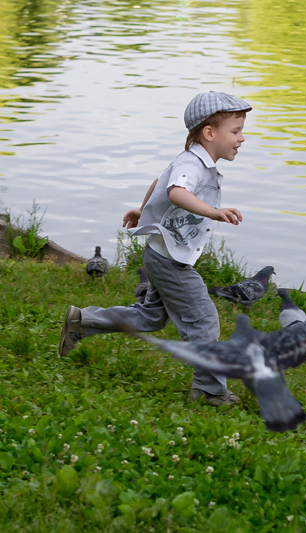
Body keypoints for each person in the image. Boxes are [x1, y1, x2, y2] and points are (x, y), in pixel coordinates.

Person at [58, 91, 252, 406]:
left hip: (165, 255)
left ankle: (82, 321)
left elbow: (160, 181)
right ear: (209, 133)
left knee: (150, 317)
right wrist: (213, 212)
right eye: (236, 131)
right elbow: (175, 191)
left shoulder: (193, 162)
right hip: (169, 261)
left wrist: (143, 210)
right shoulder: (192, 163)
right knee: (203, 320)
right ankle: (209, 390)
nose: (242, 138)